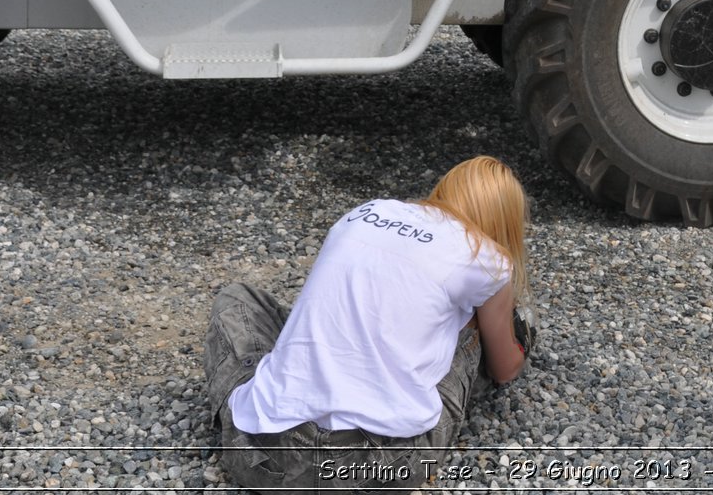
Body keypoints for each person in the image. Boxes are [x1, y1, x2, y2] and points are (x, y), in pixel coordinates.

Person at [202, 156, 533, 492]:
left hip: (264, 460)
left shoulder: (368, 212)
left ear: (445, 189)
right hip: (376, 471)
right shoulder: (488, 258)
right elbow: (505, 369)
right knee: (467, 330)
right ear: (503, 220)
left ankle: (264, 400)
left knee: (239, 298)